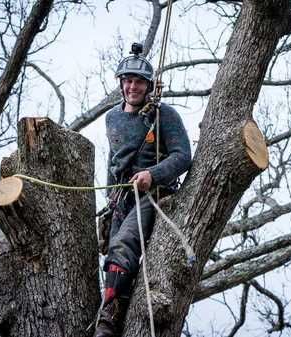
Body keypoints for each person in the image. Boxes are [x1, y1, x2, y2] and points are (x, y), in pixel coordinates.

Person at [94, 43, 192, 337]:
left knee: (125, 243)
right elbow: (113, 160)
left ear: (148, 85)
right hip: (121, 197)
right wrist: (110, 195)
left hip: (154, 196)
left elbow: (183, 155)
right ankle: (113, 313)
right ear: (121, 84)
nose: (133, 86)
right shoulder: (112, 117)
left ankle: (105, 316)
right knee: (113, 254)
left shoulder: (164, 115)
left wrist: (152, 174)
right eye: (128, 81)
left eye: (138, 82)